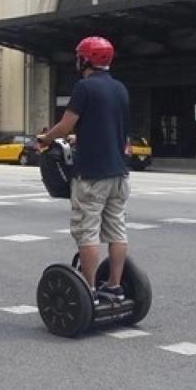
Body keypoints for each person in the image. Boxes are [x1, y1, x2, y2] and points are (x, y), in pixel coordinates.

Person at [37, 36, 130, 305]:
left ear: (85, 59)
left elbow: (66, 126)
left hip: (92, 174)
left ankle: (88, 290)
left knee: (87, 231)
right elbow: (112, 130)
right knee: (117, 230)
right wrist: (82, 137)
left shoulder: (84, 87)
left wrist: (45, 139)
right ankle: (114, 286)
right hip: (119, 173)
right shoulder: (120, 89)